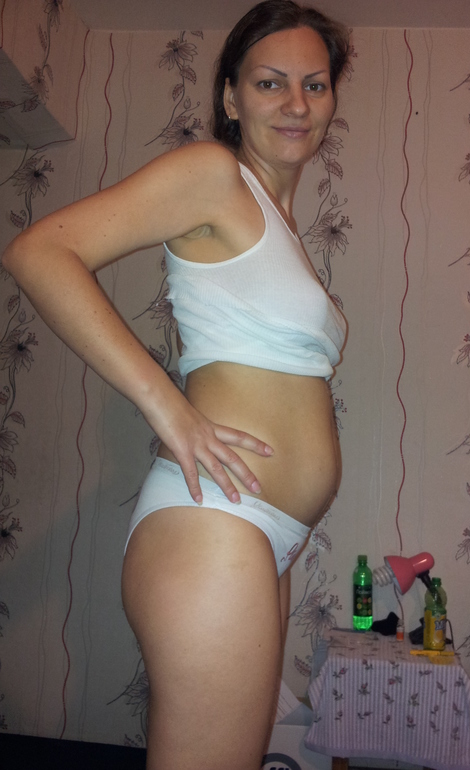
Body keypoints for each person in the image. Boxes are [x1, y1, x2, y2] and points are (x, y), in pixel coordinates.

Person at [2, 1, 349, 767]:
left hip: (265, 535)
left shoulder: (281, 224)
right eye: (270, 83)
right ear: (231, 97)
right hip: (217, 524)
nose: (296, 103)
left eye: (315, 84)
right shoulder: (213, 175)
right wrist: (169, 408)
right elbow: (40, 252)